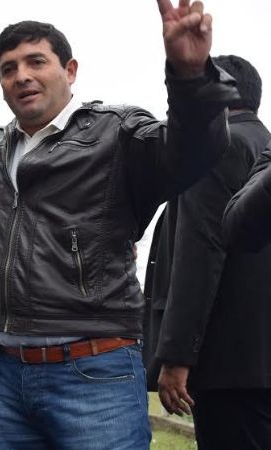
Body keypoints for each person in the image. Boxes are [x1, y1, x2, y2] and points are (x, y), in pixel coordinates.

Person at [0, 1, 240, 448]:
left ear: (70, 70)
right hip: (3, 374)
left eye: (36, 62)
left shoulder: (116, 132)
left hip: (93, 372)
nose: (21, 76)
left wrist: (190, 77)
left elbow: (194, 152)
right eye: (8, 68)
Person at [150, 55, 271, 450]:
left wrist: (177, 356)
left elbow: (200, 252)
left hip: (227, 366)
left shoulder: (216, 148)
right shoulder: (264, 146)